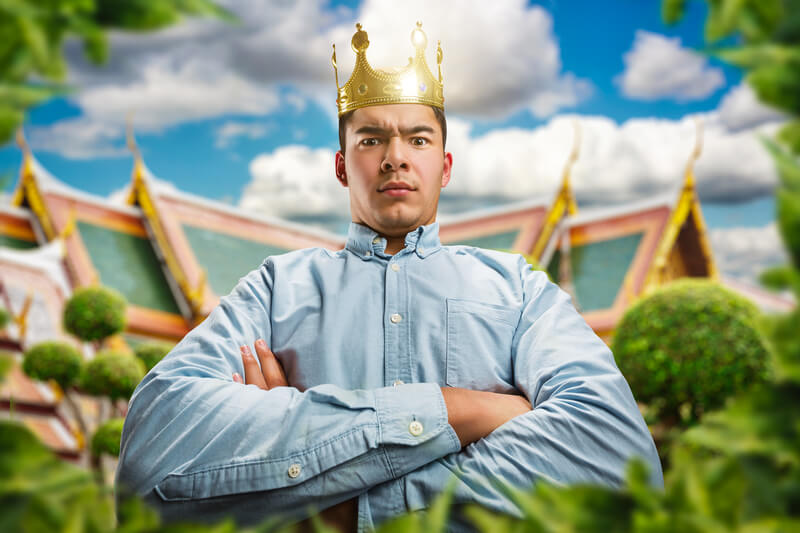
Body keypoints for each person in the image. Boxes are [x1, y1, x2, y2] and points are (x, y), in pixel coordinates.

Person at [116, 22, 662, 532]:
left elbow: (620, 462)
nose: (395, 158)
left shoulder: (516, 290)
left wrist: (331, 503)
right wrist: (470, 410)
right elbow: (150, 464)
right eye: (371, 139)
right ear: (341, 165)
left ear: (444, 167)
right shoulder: (278, 288)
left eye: (418, 140)